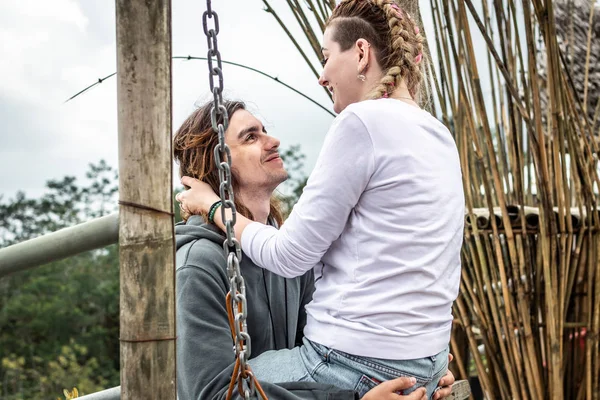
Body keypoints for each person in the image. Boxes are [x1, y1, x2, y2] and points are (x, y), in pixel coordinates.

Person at [176, 0, 466, 398]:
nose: (322, 75)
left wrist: (214, 207)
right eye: (250, 136)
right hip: (424, 360)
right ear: (218, 166)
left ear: (361, 53)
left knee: (244, 382)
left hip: (360, 365)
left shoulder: (361, 120)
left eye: (327, 57)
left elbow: (289, 256)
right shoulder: (438, 134)